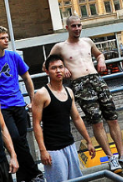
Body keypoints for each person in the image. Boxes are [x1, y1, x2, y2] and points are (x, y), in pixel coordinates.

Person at [48, 15, 123, 174]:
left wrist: (101, 60)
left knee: (113, 118)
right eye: (74, 26)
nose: (77, 29)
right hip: (80, 84)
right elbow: (46, 66)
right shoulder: (60, 47)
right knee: (96, 122)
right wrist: (63, 68)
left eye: (79, 25)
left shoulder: (87, 42)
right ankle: (111, 158)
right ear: (67, 28)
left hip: (97, 80)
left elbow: (99, 54)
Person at [0, 26, 44, 182]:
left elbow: (27, 77)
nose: (6, 40)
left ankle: (24, 176)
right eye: (3, 38)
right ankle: (35, 173)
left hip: (18, 104)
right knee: (15, 139)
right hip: (2, 108)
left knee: (21, 141)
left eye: (7, 37)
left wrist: (32, 99)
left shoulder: (14, 56)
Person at [32, 54, 96, 182]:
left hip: (70, 144)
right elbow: (36, 124)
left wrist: (88, 141)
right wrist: (43, 150)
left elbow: (77, 118)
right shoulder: (41, 94)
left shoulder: (69, 91)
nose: (58, 71)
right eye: (54, 68)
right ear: (47, 71)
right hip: (53, 150)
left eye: (61, 67)